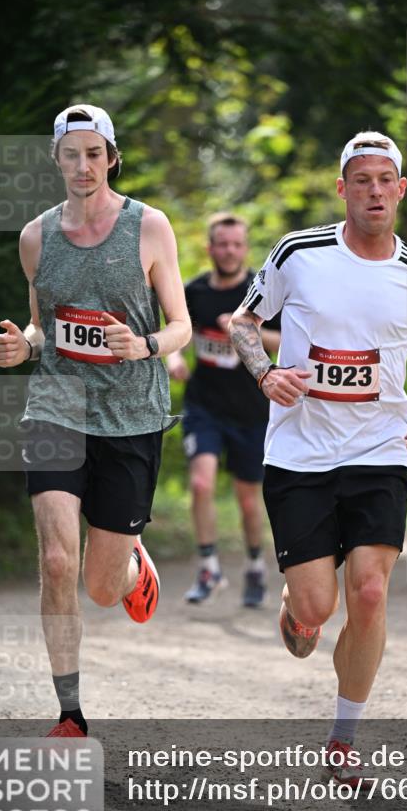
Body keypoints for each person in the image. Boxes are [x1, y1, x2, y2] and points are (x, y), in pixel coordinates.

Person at [229, 131, 407, 784]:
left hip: (378, 452)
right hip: (300, 452)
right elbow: (242, 324)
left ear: (400, 189)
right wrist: (264, 375)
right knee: (317, 609)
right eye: (358, 179)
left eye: (382, 179)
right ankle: (296, 606)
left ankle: (342, 739)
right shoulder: (298, 253)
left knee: (368, 591)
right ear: (342, 189)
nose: (372, 190)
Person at [0, 104, 191, 737]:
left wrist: (147, 345)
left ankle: (131, 562)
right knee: (56, 561)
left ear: (111, 158)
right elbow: (42, 324)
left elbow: (181, 324)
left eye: (94, 154)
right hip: (56, 405)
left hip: (131, 413)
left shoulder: (148, 227)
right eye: (71, 154)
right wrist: (24, 345)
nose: (84, 166)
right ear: (57, 160)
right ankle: (70, 714)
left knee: (102, 588)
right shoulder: (35, 236)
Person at [166, 213, 280, 606]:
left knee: (249, 500)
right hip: (205, 406)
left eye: (237, 244)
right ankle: (209, 568)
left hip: (252, 411)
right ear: (211, 248)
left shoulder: (261, 291)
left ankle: (254, 568)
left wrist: (242, 328)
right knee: (201, 483)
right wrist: (174, 360)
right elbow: (179, 331)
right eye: (222, 244)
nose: (230, 251)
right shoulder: (194, 291)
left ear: (245, 249)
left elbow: (283, 339)